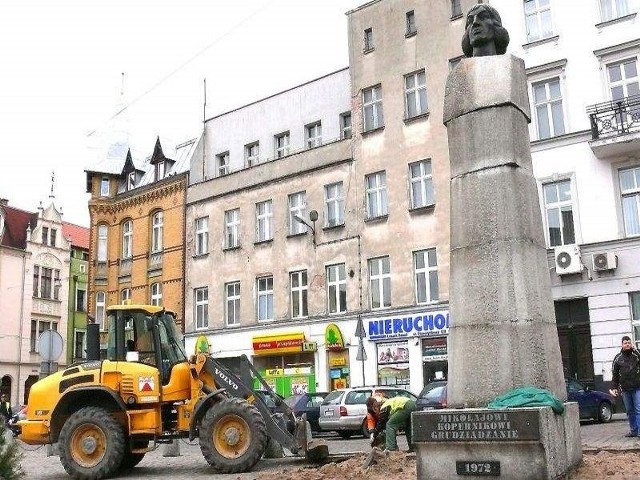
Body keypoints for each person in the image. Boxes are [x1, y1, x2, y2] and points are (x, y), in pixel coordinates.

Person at [610, 335, 640, 437]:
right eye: (625, 343)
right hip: (625, 389)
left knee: (638, 409)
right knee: (629, 410)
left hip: (637, 387)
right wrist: (614, 387)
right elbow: (615, 375)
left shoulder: (637, 355)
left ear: (631, 344)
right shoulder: (618, 359)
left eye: (628, 342)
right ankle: (633, 430)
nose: (627, 344)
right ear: (622, 345)